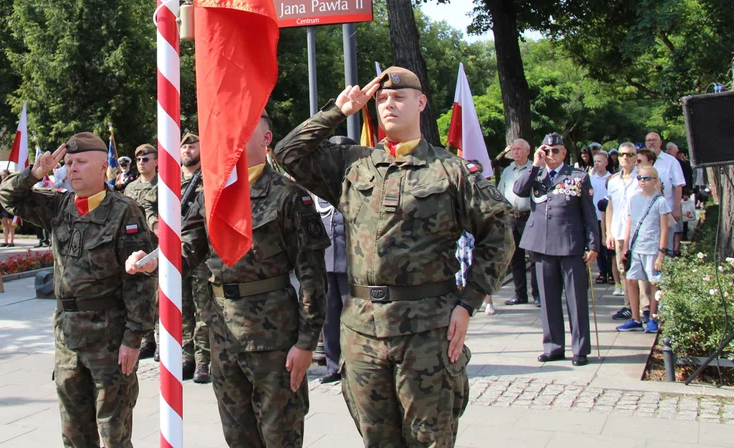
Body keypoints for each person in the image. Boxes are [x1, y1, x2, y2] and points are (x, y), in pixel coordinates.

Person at [274, 67, 513, 447]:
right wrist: (338, 111)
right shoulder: (353, 164)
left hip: (427, 330)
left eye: (399, 98)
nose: (389, 104)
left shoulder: (449, 171)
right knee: (376, 439)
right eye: (382, 99)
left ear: (420, 103)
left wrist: (468, 303)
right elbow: (288, 154)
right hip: (362, 329)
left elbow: (498, 234)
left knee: (428, 439)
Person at [128, 110, 330, 448]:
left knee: (280, 433)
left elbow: (312, 276)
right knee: (237, 434)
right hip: (222, 333)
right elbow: (187, 249)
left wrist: (307, 342)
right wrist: (152, 262)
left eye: (246, 128)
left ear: (266, 139)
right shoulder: (214, 193)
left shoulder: (289, 195)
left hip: (273, 337)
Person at [0, 132, 156, 448]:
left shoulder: (125, 210)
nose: (72, 169)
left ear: (102, 168)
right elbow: (7, 197)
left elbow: (140, 280)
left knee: (114, 434)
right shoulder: (58, 205)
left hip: (109, 339)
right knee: (73, 435)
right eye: (68, 163)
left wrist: (134, 338)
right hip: (68, 337)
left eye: (81, 162)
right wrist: (34, 174)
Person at [515, 133, 601, 365]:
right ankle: (553, 347)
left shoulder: (578, 177)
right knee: (548, 300)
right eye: (547, 151)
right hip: (542, 246)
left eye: (555, 151)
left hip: (570, 244)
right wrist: (535, 163)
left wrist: (593, 245)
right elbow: (519, 190)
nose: (550, 155)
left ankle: (580, 349)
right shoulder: (536, 174)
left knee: (576, 300)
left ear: (564, 153)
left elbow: (589, 214)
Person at [616, 165, 671, 334]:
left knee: (653, 282)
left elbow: (664, 228)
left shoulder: (660, 201)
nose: (642, 181)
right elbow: (630, 223)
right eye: (639, 178)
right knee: (632, 280)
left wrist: (662, 252)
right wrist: (626, 246)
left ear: (655, 181)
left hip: (652, 248)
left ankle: (653, 317)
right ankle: (635, 318)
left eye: (646, 178)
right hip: (636, 247)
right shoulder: (634, 199)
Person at [316, 134, 353, 385]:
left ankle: (353, 364)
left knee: (352, 316)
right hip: (326, 260)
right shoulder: (318, 186)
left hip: (353, 261)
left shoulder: (359, 186)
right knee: (329, 316)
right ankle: (332, 364)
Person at [179, 132, 212, 384]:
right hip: (175, 251)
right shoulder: (170, 181)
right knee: (181, 310)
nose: (188, 150)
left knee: (203, 311)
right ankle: (185, 357)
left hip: (201, 255)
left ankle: (203, 361)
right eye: (185, 146)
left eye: (193, 145)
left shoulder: (210, 178)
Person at [122, 143, 159, 361]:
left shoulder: (164, 185)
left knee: (158, 297)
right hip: (135, 249)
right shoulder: (130, 188)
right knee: (139, 297)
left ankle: (161, 342)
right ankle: (147, 341)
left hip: (155, 248)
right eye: (138, 160)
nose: (141, 163)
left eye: (146, 159)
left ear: (156, 161)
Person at [499, 138, 540, 306]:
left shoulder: (535, 169)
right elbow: (500, 192)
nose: (515, 152)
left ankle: (538, 294)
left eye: (518, 149)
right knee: (515, 257)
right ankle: (520, 293)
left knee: (535, 257)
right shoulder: (508, 171)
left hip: (529, 216)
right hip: (511, 217)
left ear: (528, 151)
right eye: (513, 149)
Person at [607, 142, 641, 318]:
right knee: (623, 270)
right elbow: (610, 207)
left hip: (639, 232)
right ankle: (629, 306)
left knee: (640, 271)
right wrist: (609, 233)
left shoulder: (642, 178)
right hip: (619, 231)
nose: (625, 158)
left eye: (629, 154)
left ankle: (645, 308)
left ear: (636, 157)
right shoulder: (613, 181)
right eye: (621, 154)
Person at [644, 132, 685, 253]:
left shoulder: (671, 161)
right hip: (646, 213)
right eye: (648, 140)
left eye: (654, 140)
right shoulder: (640, 161)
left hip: (666, 211)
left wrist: (677, 208)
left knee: (666, 249)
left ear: (660, 143)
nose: (651, 142)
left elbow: (678, 185)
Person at [590, 150, 613, 283]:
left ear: (606, 163)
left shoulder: (611, 179)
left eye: (599, 161)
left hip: (608, 217)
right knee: (597, 245)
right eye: (595, 162)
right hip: (595, 217)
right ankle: (602, 271)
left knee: (608, 246)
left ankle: (611, 272)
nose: (597, 164)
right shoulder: (591, 179)